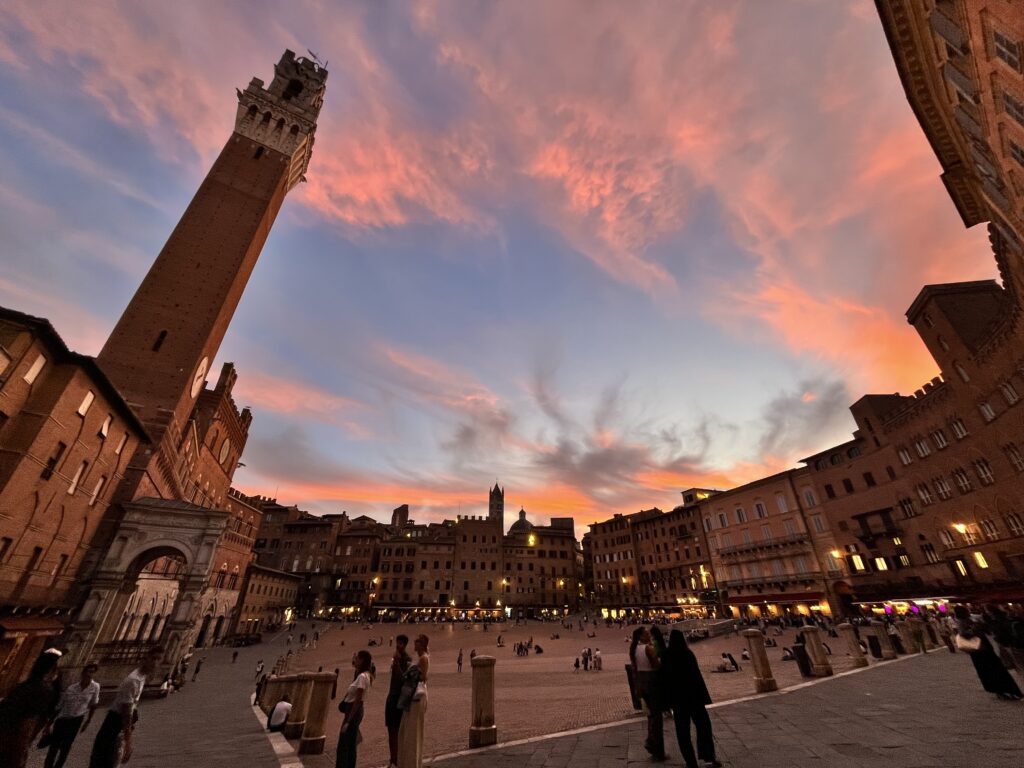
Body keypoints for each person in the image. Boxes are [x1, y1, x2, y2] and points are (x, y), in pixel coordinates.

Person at [89, 645, 163, 768]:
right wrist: (129, 742)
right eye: (153, 659)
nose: (155, 663)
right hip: (114, 724)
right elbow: (126, 712)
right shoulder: (133, 680)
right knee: (105, 762)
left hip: (119, 724)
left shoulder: (142, 676)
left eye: (158, 659)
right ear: (146, 658)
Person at [664, 631, 721, 768]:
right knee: (704, 727)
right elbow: (697, 676)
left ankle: (690, 762)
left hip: (678, 700)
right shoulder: (687, 653)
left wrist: (667, 701)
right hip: (694, 698)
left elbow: (665, 680)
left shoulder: (666, 656)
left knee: (682, 732)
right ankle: (708, 757)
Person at [0, 648, 61, 768]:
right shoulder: (45, 690)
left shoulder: (23, 687)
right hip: (15, 738)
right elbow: (27, 725)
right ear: (50, 671)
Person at [955, 605, 1023, 700]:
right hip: (979, 651)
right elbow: (964, 634)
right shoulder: (962, 622)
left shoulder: (970, 619)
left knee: (996, 669)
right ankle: (1001, 691)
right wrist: (975, 628)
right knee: (991, 670)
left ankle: (1008, 690)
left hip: (984, 649)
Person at [43, 661, 101, 768]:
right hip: (63, 720)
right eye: (88, 671)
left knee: (66, 747)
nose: (90, 674)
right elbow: (59, 706)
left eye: (93, 672)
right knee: (54, 747)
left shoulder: (95, 687)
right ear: (83, 672)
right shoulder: (72, 688)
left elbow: (94, 704)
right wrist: (48, 724)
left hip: (76, 720)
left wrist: (88, 721)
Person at [630, 626, 665, 761]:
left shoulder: (633, 650)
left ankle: (651, 743)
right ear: (640, 637)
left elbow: (634, 669)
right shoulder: (648, 648)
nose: (649, 635)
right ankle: (656, 748)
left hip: (641, 683)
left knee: (651, 714)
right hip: (652, 683)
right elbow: (656, 666)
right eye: (646, 634)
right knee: (657, 717)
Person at [397, 634, 430, 768]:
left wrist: (412, 670)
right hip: (414, 696)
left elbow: (423, 678)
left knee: (412, 731)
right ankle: (409, 762)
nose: (414, 645)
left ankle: (411, 763)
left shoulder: (423, 658)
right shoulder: (421, 658)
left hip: (417, 697)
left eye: (416, 643)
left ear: (421, 645)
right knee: (408, 729)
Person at [337, 650, 373, 768]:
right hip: (353, 711)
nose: (355, 660)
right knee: (350, 743)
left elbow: (358, 700)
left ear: (362, 660)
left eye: (357, 658)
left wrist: (348, 721)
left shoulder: (362, 677)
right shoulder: (363, 674)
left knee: (345, 744)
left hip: (353, 711)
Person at [385, 635, 412, 768]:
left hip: (398, 698)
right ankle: (392, 759)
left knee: (398, 730)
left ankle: (397, 760)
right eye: (397, 642)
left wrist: (396, 663)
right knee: (391, 730)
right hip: (391, 696)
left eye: (400, 643)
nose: (398, 645)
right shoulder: (396, 658)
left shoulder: (407, 659)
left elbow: (403, 679)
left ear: (405, 644)